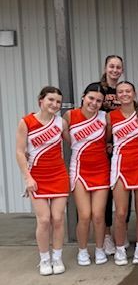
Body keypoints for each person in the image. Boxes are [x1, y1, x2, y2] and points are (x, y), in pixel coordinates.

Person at [16, 86, 69, 276]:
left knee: (58, 218)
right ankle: (44, 259)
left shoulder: (61, 122)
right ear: (41, 100)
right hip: (37, 176)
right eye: (51, 100)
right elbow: (20, 152)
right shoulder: (26, 122)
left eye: (58, 102)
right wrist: (27, 177)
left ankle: (57, 257)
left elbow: (75, 141)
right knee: (44, 220)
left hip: (59, 174)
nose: (54, 104)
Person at [107, 81, 138, 266]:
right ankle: (120, 248)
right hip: (120, 166)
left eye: (128, 91)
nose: (125, 94)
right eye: (121, 92)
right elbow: (106, 140)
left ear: (134, 93)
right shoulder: (110, 116)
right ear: (117, 96)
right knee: (120, 212)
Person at [63, 84, 110, 266]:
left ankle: (99, 249)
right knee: (84, 215)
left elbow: (105, 140)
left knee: (98, 215)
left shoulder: (104, 117)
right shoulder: (70, 115)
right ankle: (82, 250)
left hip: (101, 169)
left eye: (99, 100)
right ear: (83, 96)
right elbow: (65, 138)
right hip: (80, 169)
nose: (94, 103)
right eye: (91, 98)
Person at [88, 55, 126, 255]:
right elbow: (88, 116)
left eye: (118, 67)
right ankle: (107, 236)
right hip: (99, 149)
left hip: (119, 149)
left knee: (121, 195)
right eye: (111, 66)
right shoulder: (96, 88)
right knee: (105, 197)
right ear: (105, 67)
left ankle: (122, 233)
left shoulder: (122, 90)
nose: (114, 70)